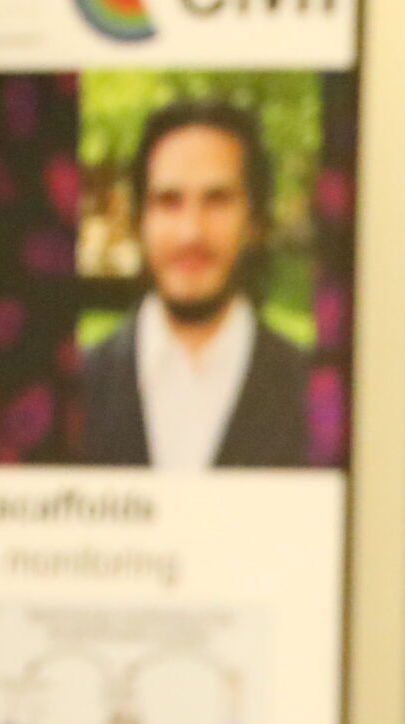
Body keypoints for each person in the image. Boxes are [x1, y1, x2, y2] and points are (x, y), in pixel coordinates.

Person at [80, 98, 309, 468]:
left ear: (255, 222)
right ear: (140, 221)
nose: (191, 232)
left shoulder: (312, 394)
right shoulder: (80, 385)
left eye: (217, 200)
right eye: (169, 201)